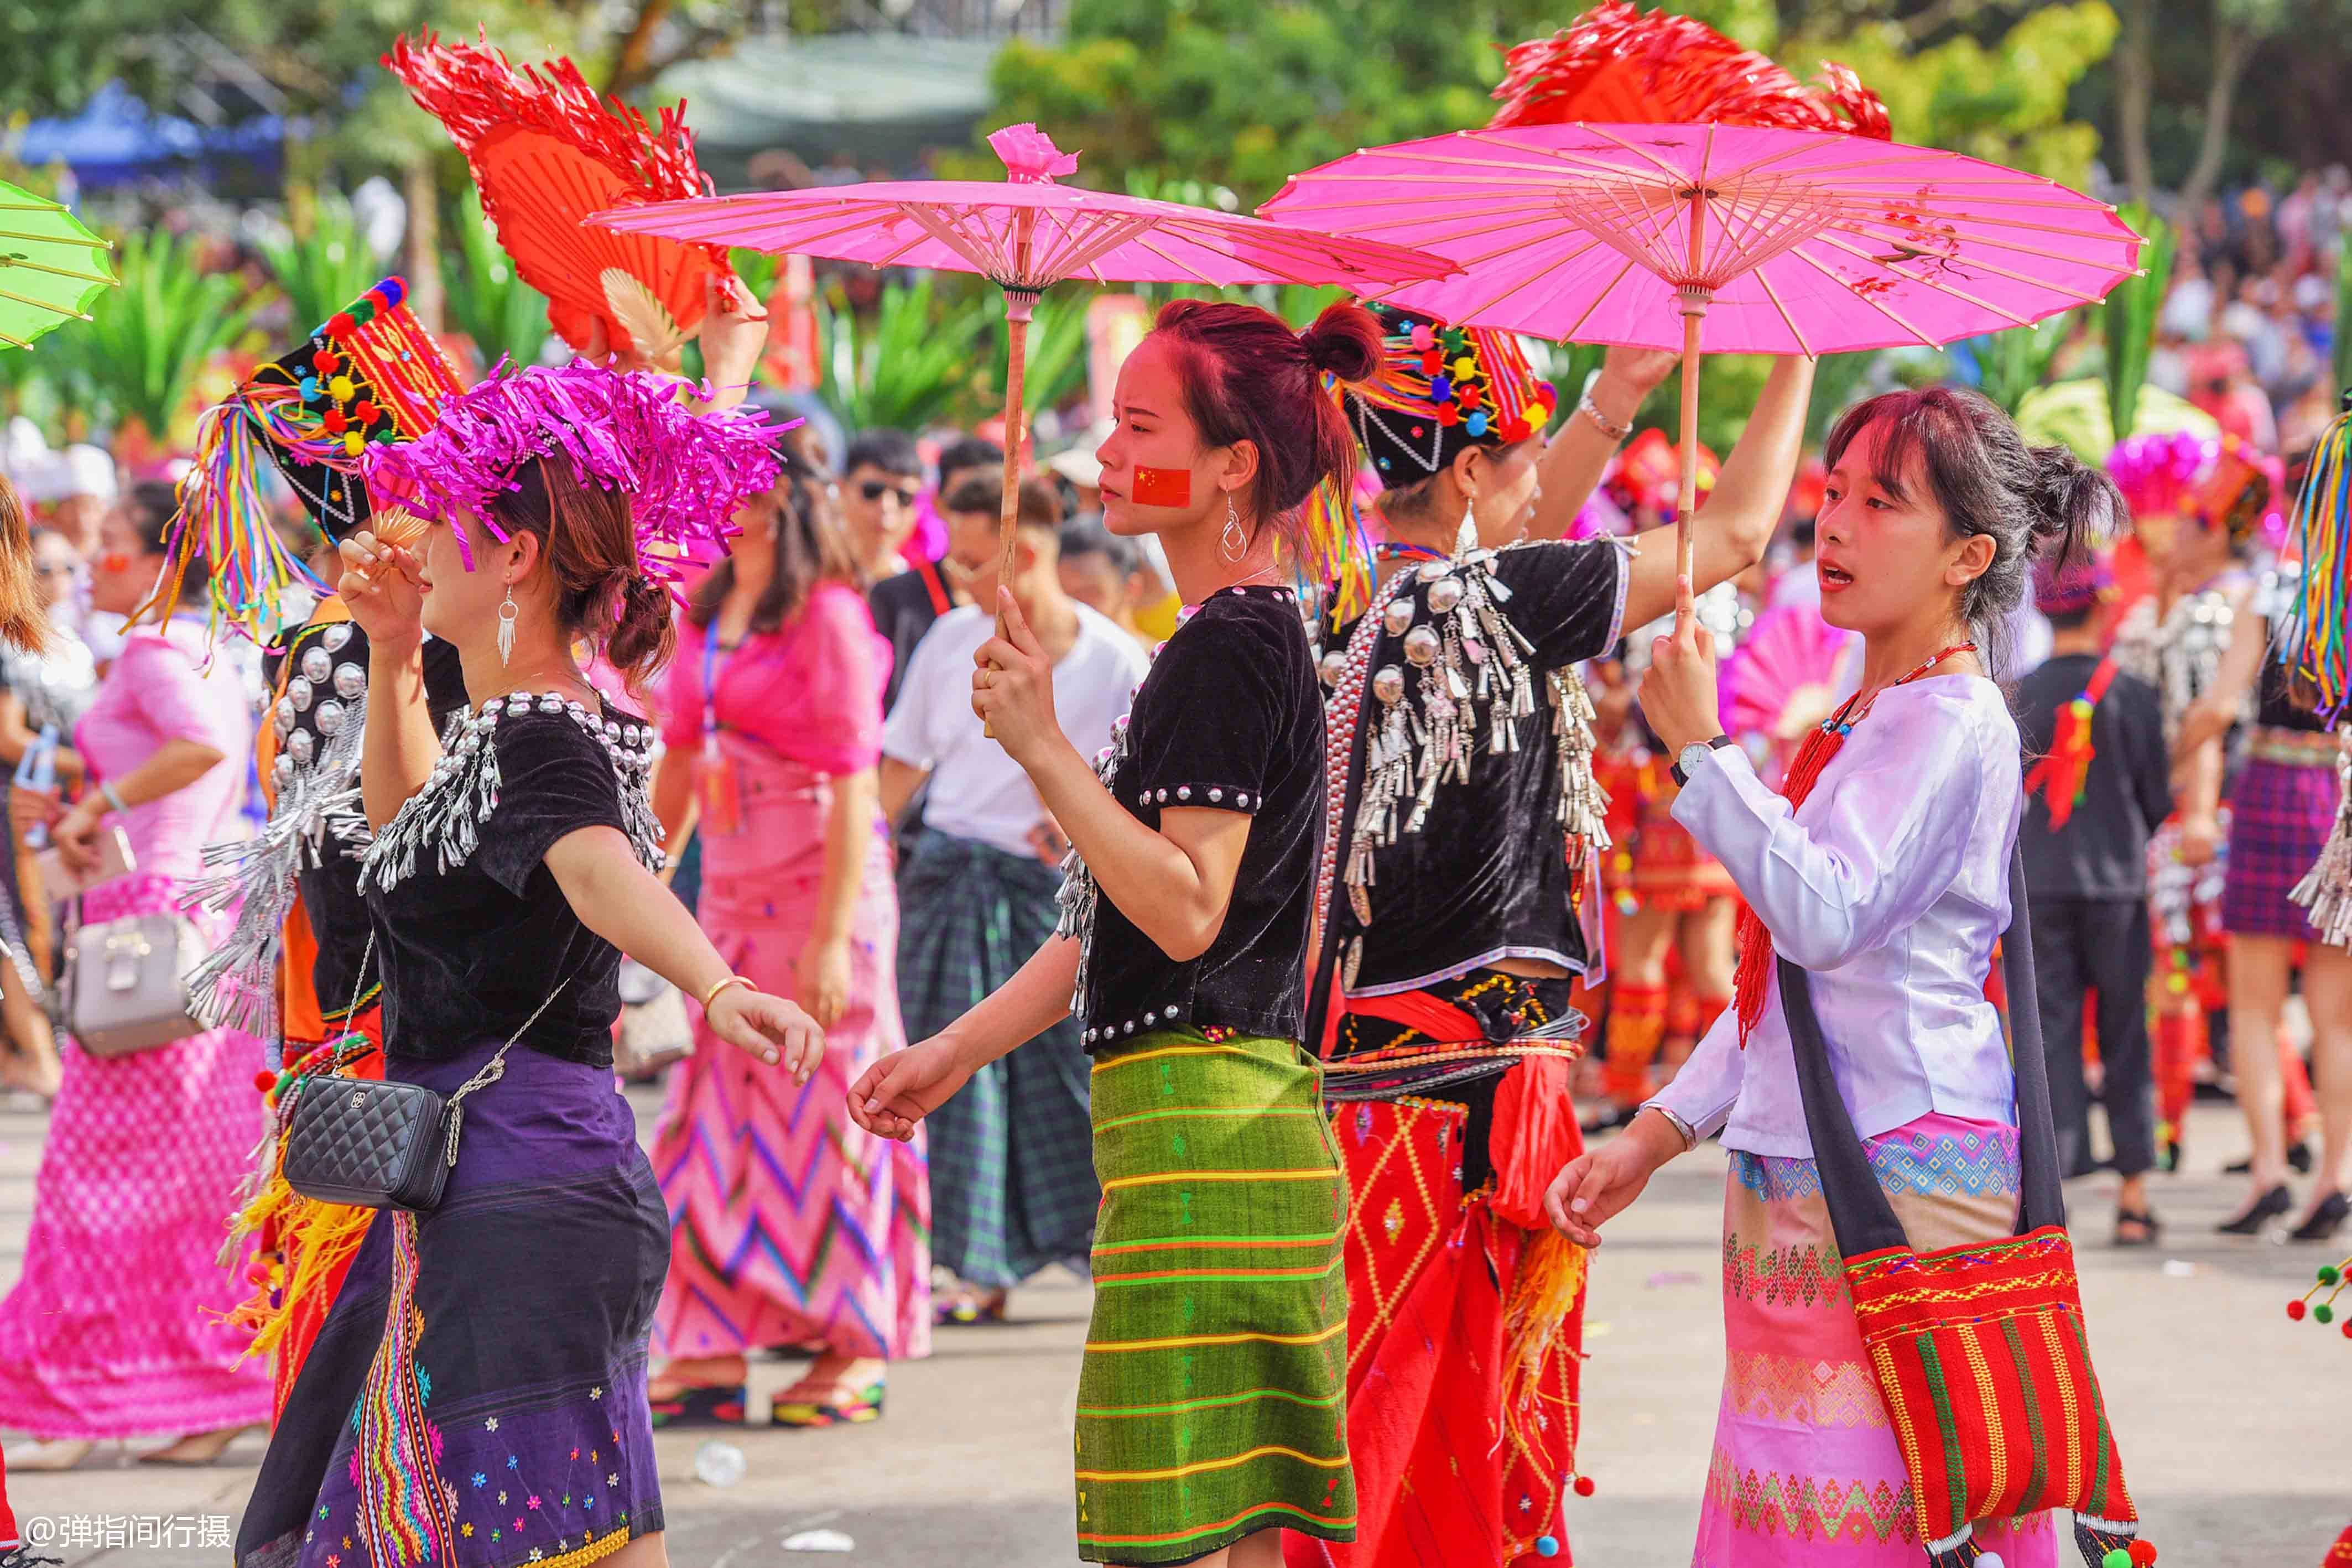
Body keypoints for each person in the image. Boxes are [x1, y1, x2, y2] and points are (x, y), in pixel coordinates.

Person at [235, 362, 823, 1568]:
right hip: (499, 1182)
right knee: (581, 1535)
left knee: (511, 1534)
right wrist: (395, 653)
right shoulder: (505, 724)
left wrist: (717, 984)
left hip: (522, 1185)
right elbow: (401, 835)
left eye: (446, 512)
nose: (415, 536)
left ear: (514, 557)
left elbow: (598, 868)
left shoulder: (545, 728)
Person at [1548, 386, 2118, 1568]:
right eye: (1832, 494)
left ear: (1969, 554)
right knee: (1805, 1512)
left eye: (1879, 501)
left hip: (1897, 1169)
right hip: (1807, 1166)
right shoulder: (1866, 715)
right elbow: (1782, 991)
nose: (1837, 526)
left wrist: (1702, 752)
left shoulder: (1950, 716)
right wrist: (1652, 1133)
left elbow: (1821, 918)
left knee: (1878, 1521)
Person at [854, 299, 1383, 1568]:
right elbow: (1109, 920)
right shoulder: (1227, 637)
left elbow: (1186, 907)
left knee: (1171, 1536)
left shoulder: (1224, 644)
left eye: (1139, 427)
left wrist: (1039, 749)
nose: (1104, 458)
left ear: (1232, 466)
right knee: (1228, 1537)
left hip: (1204, 1128)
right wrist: (954, 1053)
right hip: (1218, 1124)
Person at [1304, 307, 1809, 1568]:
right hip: (1475, 1101)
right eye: (1524, 459)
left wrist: (1608, 403)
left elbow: (1511, 542)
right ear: (1471, 471)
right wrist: (1797, 337)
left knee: (1364, 1426)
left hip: (1350, 1094)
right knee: (1464, 1440)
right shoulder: (1500, 600)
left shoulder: (1339, 603)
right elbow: (1738, 535)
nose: (1546, 490)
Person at [645, 440, 929, 1428]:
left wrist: (827, 940)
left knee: (830, 1123)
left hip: (823, 901)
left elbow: (858, 789)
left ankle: (851, 1344)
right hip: (725, 906)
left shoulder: (834, 617)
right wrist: (639, 893)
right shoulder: (707, 606)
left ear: (775, 497)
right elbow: (678, 763)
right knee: (708, 1126)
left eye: (730, 484)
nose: (712, 501)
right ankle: (710, 1347)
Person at [0, 481, 272, 1470]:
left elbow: (200, 747)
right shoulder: (177, 646)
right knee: (184, 1181)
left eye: (110, 540)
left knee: (97, 1178)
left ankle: (87, 1402)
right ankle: (197, 1391)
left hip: (159, 932)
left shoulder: (161, 653)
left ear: (158, 558)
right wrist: (89, 814)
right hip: (168, 917)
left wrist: (97, 801)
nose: (91, 551)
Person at [880, 471, 1145, 1325]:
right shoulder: (952, 638)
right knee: (956, 1082)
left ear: (1022, 550)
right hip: (950, 881)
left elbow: (1136, 796)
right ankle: (974, 1265)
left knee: (1066, 1079)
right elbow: (899, 770)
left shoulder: (1114, 660)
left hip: (1054, 895)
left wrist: (1076, 829)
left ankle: (1107, 1244)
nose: (956, 578)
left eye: (969, 559)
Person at [2177, 562, 2352, 1239]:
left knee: (2255, 1006)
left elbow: (2221, 707)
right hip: (2340, 795)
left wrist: (2179, 750)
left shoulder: (2273, 591)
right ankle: (2334, 1178)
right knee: (2336, 1019)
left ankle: (2270, 1175)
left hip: (2273, 788)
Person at [2013, 548, 2172, 1243]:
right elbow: (2158, 800)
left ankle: (2051, 1204)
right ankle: (2133, 1197)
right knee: (2124, 1034)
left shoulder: (2014, 693)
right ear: (2103, 604)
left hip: (2038, 889)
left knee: (2046, 1038)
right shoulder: (2133, 695)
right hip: (2116, 888)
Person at [0, 527, 97, 1099]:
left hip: (68, 809)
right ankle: (38, 1056)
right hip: (22, 807)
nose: (60, 579)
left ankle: (52, 1054)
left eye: (68, 567)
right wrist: (86, 762)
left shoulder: (72, 640)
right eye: (45, 568)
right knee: (28, 932)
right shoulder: (11, 643)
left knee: (64, 935)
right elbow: (8, 735)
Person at [870, 436, 1002, 712]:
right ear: (938, 504)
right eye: (963, 501)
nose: (977, 517)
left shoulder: (1022, 602)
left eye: (990, 502)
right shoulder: (892, 598)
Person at [839, 426, 925, 587]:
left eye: (903, 497)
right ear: (842, 489)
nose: (887, 507)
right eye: (872, 492)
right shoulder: (807, 578)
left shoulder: (924, 593)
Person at [1056, 515, 1149, 640]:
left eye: (1090, 593)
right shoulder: (1047, 658)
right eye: (1065, 596)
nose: (1078, 607)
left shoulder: (1159, 659)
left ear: (1131, 589)